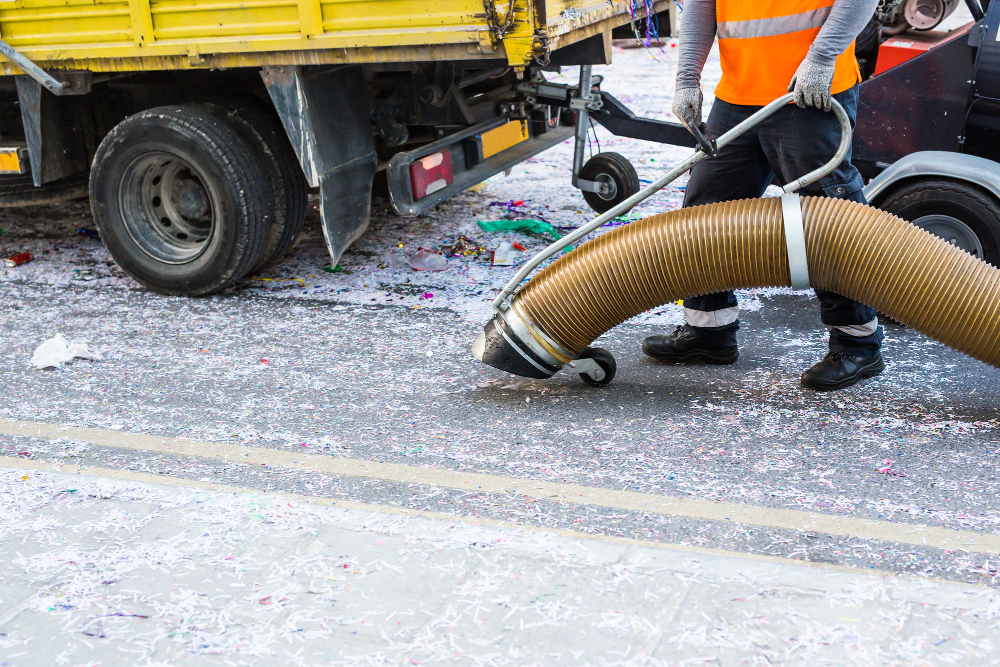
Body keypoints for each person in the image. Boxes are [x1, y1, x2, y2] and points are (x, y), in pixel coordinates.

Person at [642, 0, 884, 391]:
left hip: (808, 90)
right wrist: (687, 79)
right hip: (739, 94)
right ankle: (710, 331)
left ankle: (857, 343)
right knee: (706, 210)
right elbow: (704, 6)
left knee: (827, 217)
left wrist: (822, 58)